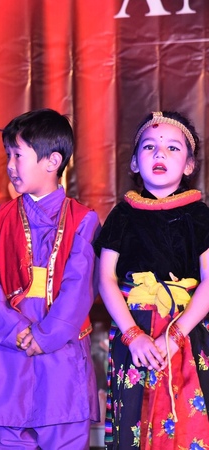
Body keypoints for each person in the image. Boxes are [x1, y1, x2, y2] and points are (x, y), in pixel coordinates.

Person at [0, 108, 100, 449]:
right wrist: (13, 328)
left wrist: (47, 334)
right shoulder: (0, 217)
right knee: (7, 436)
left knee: (64, 434)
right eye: (8, 156)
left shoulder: (83, 219)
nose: (10, 165)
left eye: (18, 155)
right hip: (7, 348)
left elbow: (80, 286)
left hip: (61, 349)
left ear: (52, 161)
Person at [95, 111, 209, 449]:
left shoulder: (199, 215)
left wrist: (175, 335)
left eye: (173, 148)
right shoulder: (122, 215)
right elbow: (105, 279)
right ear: (134, 162)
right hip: (135, 333)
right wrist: (133, 336)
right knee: (134, 419)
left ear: (189, 165)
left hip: (187, 332)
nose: (160, 153)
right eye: (149, 147)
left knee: (189, 422)